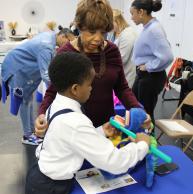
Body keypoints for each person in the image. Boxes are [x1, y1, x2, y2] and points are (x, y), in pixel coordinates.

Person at [25, 52, 150, 194]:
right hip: (50, 188)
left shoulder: (57, 103)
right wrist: (142, 145)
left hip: (39, 175)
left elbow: (71, 139)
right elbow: (114, 162)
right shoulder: (75, 122)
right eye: (90, 84)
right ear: (75, 89)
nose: (91, 88)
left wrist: (100, 131)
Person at [35, 0, 144, 137]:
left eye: (103, 32)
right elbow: (53, 89)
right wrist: (42, 114)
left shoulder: (112, 51)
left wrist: (137, 109)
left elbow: (121, 87)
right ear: (79, 26)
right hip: (75, 130)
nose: (98, 38)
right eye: (92, 32)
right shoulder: (66, 53)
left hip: (107, 127)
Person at [1, 28, 75, 145]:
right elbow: (45, 74)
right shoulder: (45, 46)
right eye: (69, 41)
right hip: (16, 68)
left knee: (28, 100)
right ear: (63, 37)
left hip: (20, 66)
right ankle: (27, 135)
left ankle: (32, 131)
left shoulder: (51, 37)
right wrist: (60, 89)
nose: (69, 45)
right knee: (24, 101)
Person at [130, 0, 174, 122]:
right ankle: (139, 139)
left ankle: (149, 140)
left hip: (150, 77)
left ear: (141, 12)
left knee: (145, 115)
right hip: (144, 75)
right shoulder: (149, 27)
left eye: (132, 13)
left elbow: (167, 56)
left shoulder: (154, 29)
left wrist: (148, 66)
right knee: (138, 110)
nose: (131, 17)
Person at [113, 9, 137, 88]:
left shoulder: (128, 34)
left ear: (117, 21)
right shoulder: (119, 33)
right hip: (121, 74)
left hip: (127, 75)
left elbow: (122, 58)